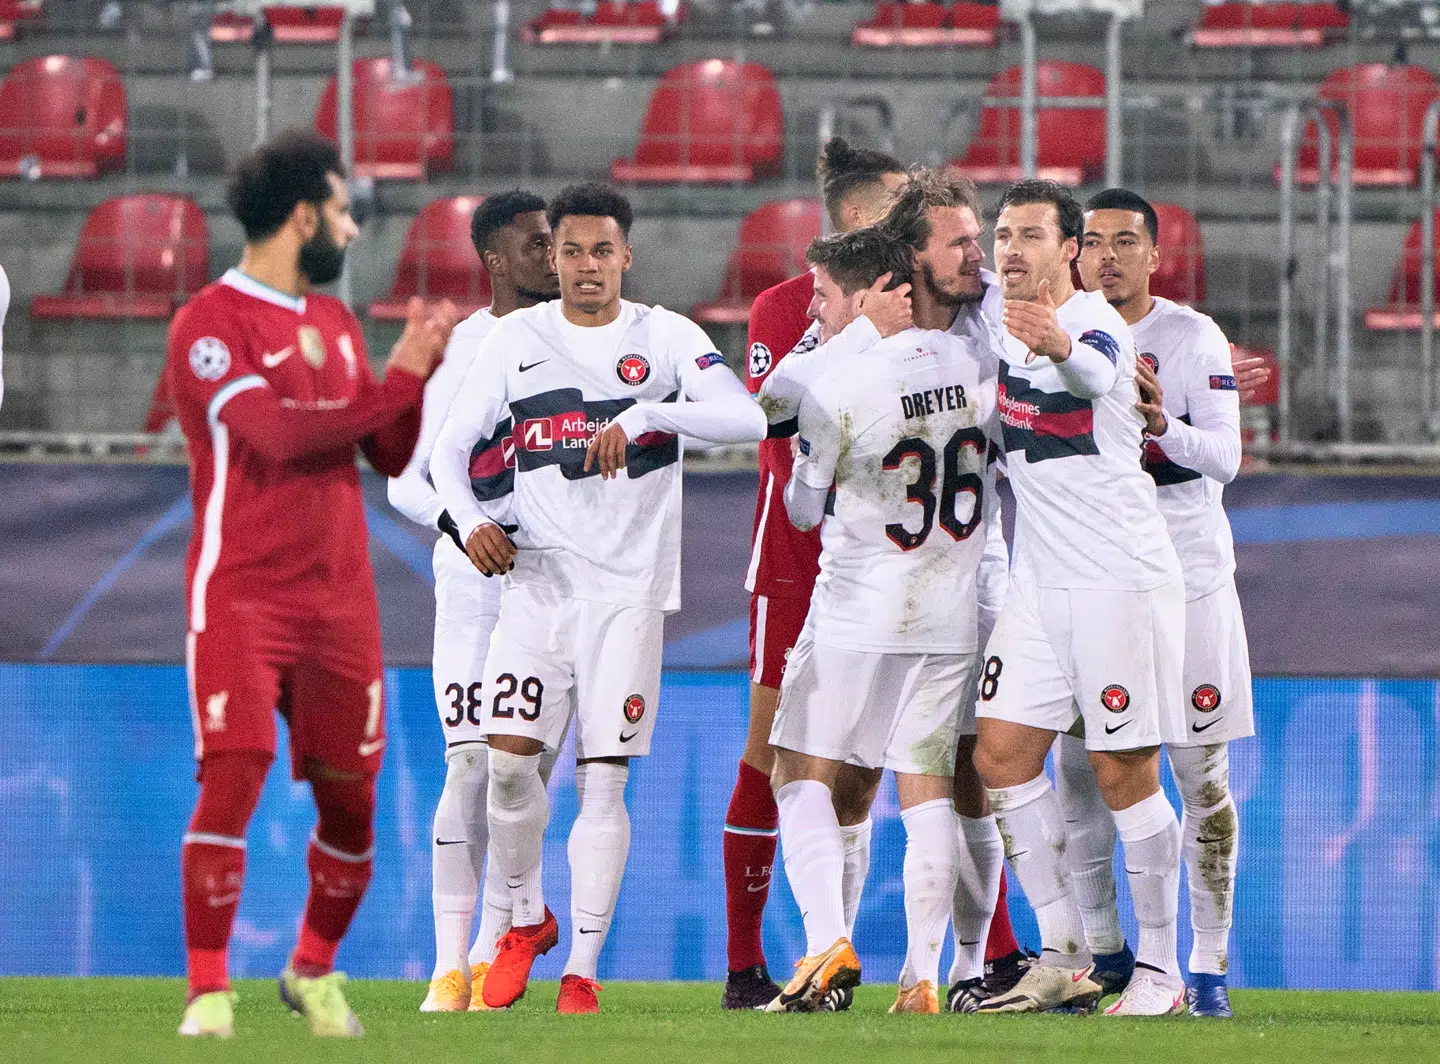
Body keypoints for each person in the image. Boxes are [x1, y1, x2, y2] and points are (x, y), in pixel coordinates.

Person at [429, 183, 768, 1014]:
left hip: (627, 596)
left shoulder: (667, 337)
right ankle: (524, 918)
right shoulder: (514, 339)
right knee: (506, 771)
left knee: (602, 783)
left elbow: (750, 419)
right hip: (536, 588)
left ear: (628, 255)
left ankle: (580, 970)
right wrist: (468, 521)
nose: (587, 266)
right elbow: (447, 451)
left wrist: (653, 411)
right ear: (553, 259)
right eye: (571, 252)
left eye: (602, 251)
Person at [723, 137, 1028, 1010]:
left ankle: (826, 946)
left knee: (797, 773)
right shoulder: (980, 359)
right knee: (930, 787)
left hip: (860, 604)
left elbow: (802, 503)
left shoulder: (845, 375)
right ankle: (930, 977)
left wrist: (843, 343)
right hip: (955, 603)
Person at [167, 129, 455, 1038]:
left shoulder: (331, 324)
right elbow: (282, 438)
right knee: (236, 773)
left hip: (340, 602)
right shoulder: (209, 325)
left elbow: (384, 452)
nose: (351, 232)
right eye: (341, 212)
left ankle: (312, 972)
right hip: (242, 595)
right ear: (303, 217)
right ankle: (208, 990)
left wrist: (414, 381)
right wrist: (400, 376)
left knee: (353, 802)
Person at [971, 179, 1188, 1017]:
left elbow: (1097, 373)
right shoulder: (1001, 324)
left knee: (1122, 769)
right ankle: (1062, 950)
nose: (1012, 249)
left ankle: (1162, 974)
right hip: (1039, 585)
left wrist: (1059, 342)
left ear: (1070, 250)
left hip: (1117, 581)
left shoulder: (1095, 320)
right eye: (1003, 235)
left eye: (1031, 235)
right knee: (1000, 756)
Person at [1066, 187, 1258, 1019]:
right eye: (1094, 241)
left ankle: (1208, 971)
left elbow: (1226, 457)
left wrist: (1160, 428)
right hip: (1096, 576)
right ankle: (1106, 955)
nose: (1108, 255)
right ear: (1074, 253)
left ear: (1155, 254)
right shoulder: (1057, 333)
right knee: (1080, 770)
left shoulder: (1189, 337)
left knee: (1198, 776)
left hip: (1187, 579)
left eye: (1126, 241)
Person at [385, 190, 560, 1013]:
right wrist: (466, 524)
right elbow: (404, 481)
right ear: (494, 259)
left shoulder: (588, 341)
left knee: (519, 773)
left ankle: (500, 944)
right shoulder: (459, 351)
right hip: (471, 580)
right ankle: (448, 964)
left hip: (557, 583)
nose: (555, 258)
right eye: (536, 244)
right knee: (466, 764)